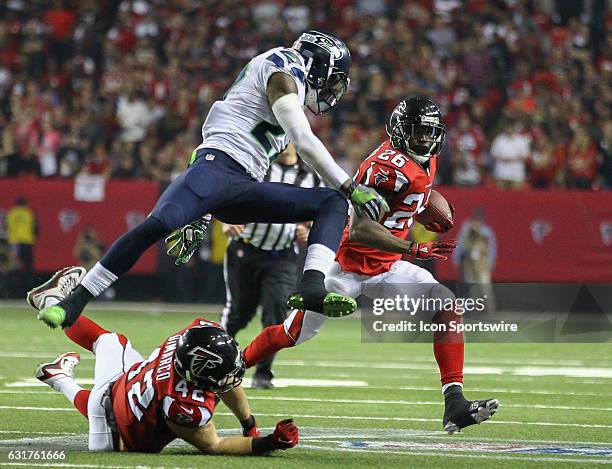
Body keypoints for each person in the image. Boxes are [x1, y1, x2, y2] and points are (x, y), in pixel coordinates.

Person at [37, 30, 389, 330]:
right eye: (331, 80)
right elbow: (301, 139)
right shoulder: (282, 69)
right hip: (217, 169)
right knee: (160, 223)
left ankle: (312, 284)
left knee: (331, 203)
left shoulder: (289, 81)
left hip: (243, 186)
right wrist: (351, 185)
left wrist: (204, 212)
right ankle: (76, 299)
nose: (331, 91)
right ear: (317, 65)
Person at [237, 98, 499, 434]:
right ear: (399, 132)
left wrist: (417, 211)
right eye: (417, 134)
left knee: (446, 306)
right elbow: (361, 227)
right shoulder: (388, 167)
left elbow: (397, 206)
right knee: (291, 334)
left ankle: (455, 404)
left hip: (386, 267)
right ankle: (235, 365)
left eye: (429, 133)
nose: (425, 141)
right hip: (346, 267)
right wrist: (413, 247)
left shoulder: (427, 161)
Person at [27, 267, 299, 455]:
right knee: (105, 402)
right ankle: (61, 371)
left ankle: (56, 327)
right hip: (113, 438)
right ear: (197, 375)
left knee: (109, 342)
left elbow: (227, 381)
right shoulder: (185, 406)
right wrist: (269, 443)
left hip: (125, 385)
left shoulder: (194, 335)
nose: (231, 381)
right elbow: (214, 445)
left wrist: (249, 425)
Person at [221, 144, 318, 389]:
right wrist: (224, 221)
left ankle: (263, 373)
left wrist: (308, 229)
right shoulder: (256, 165)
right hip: (245, 251)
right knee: (238, 314)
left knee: (276, 312)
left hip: (282, 256)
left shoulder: (310, 177)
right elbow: (224, 194)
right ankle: (218, 361)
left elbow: (319, 215)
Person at [7, 196, 37, 291]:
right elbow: (35, 228)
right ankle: (28, 289)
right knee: (28, 268)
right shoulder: (29, 213)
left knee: (14, 267)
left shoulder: (12, 213)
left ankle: (13, 290)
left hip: (15, 243)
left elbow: (7, 226)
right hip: (27, 242)